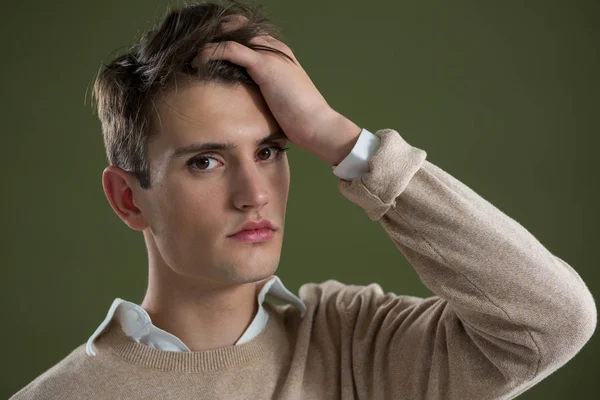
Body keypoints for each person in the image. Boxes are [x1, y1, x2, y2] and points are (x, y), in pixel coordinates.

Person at [11, 0, 596, 399]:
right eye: (205, 161)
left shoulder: (356, 347)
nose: (254, 194)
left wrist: (341, 139)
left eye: (269, 151)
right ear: (128, 199)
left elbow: (552, 322)